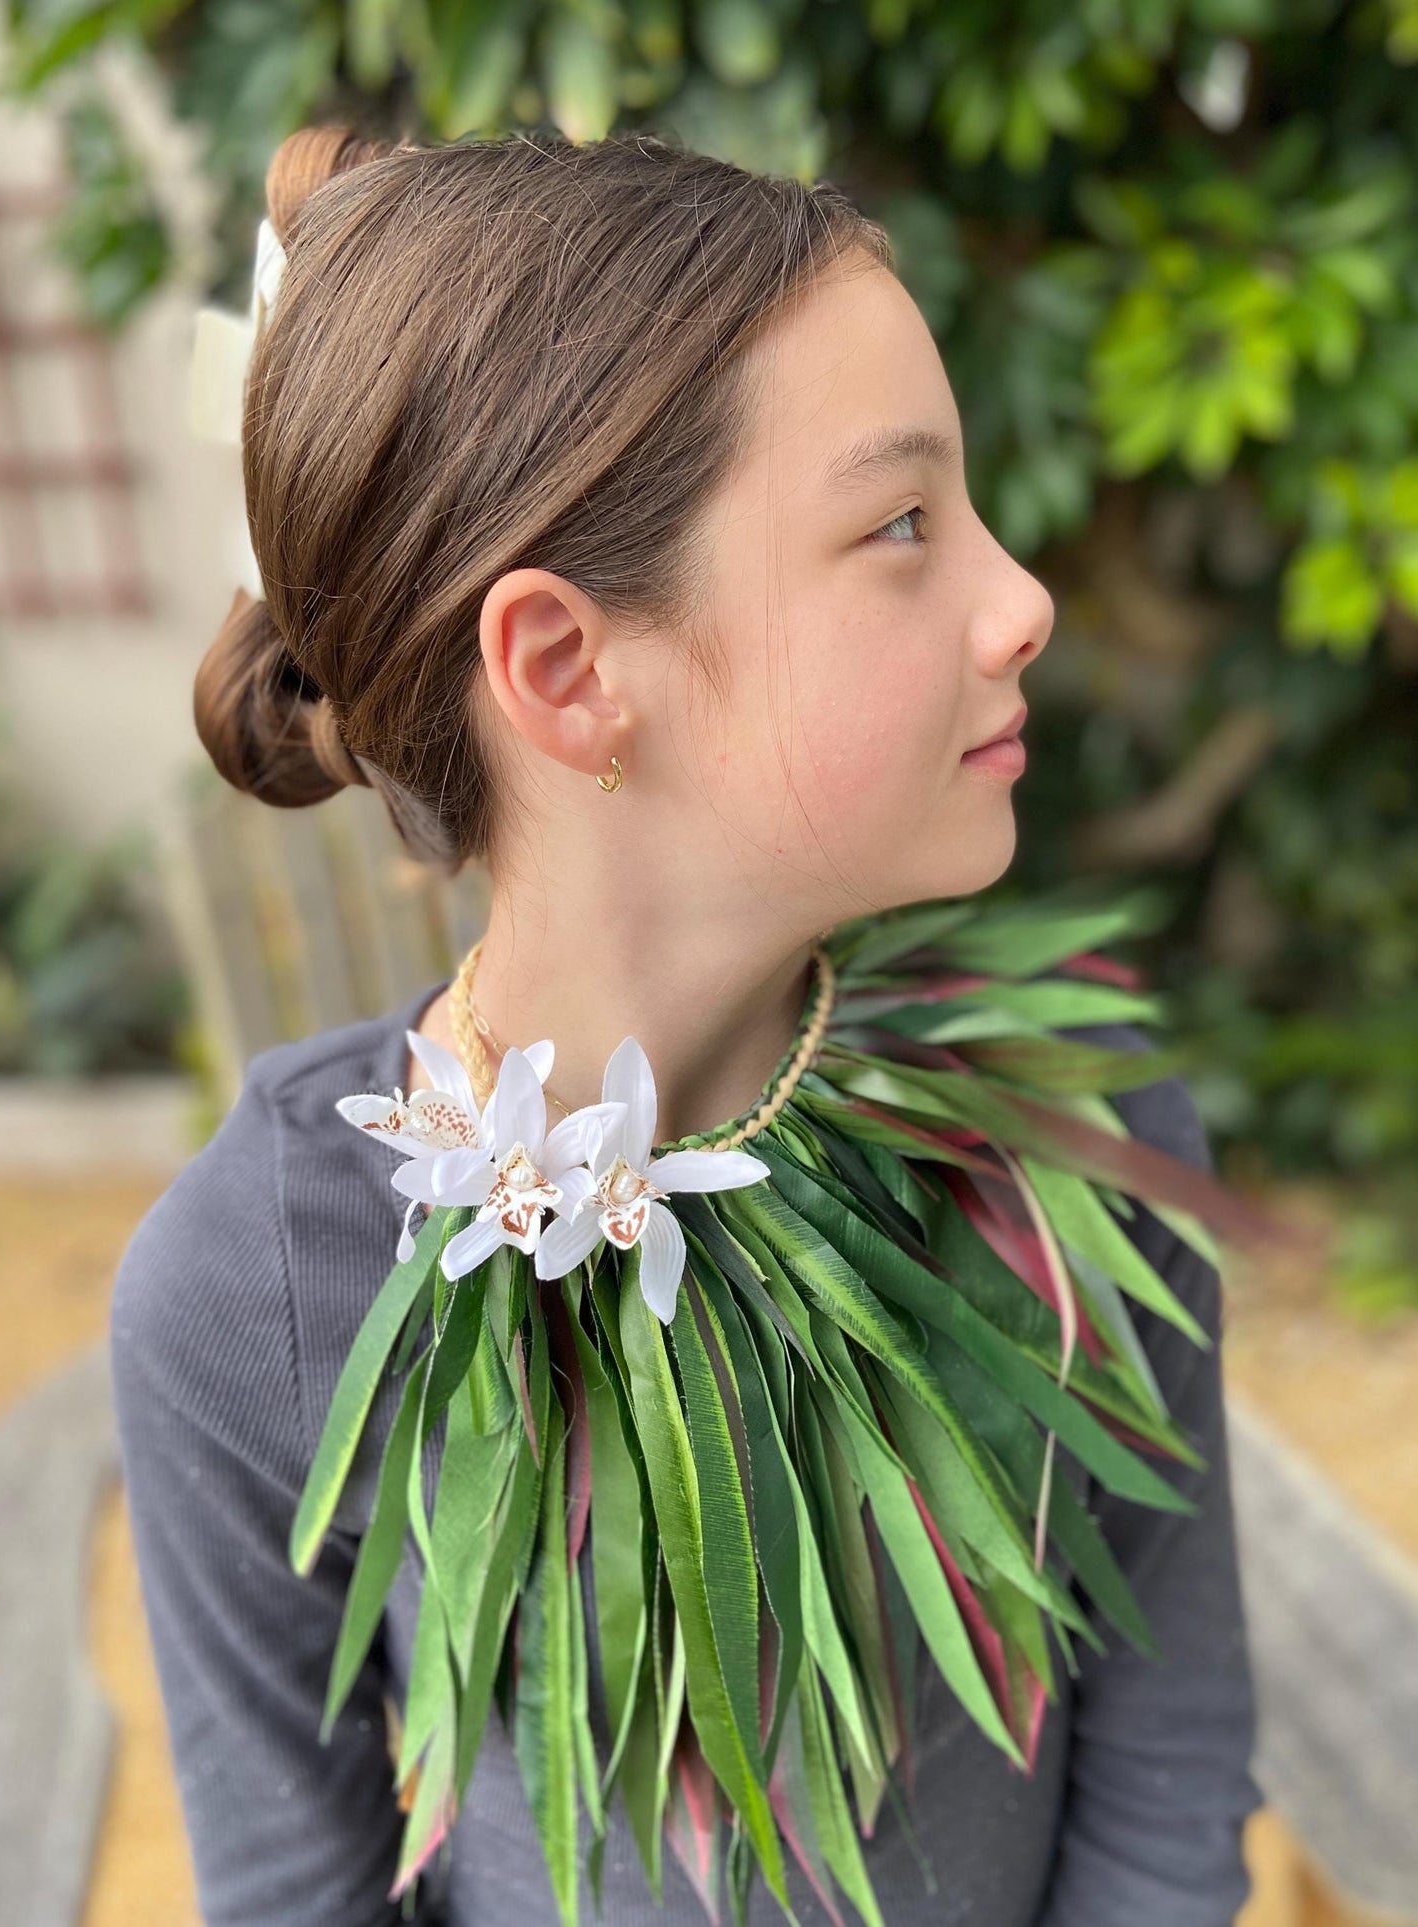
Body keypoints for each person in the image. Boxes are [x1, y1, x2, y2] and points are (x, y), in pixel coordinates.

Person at [108, 124, 1265, 1925]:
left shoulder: (1080, 1152)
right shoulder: (253, 1290)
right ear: (570, 672)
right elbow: (295, 1891)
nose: (1021, 597)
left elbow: (1167, 1773)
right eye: (900, 523)